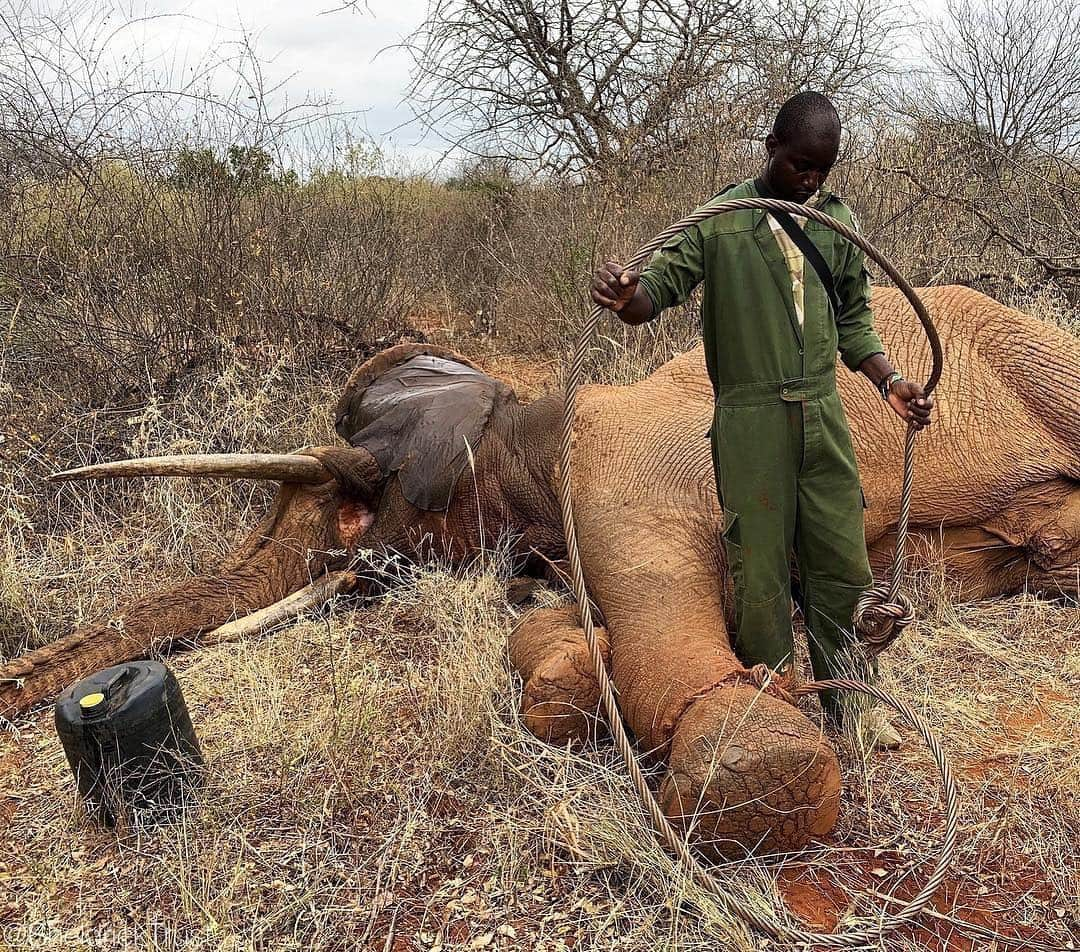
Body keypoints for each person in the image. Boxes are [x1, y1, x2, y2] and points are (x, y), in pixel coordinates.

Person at [589, 91, 933, 748]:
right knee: (760, 572)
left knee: (840, 557)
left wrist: (889, 382)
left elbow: (855, 321)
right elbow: (653, 294)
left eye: (823, 169)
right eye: (801, 164)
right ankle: (776, 713)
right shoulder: (723, 222)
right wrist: (627, 297)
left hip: (824, 416)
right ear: (771, 146)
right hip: (750, 422)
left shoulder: (837, 222)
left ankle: (853, 705)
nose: (811, 180)